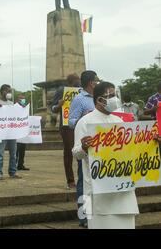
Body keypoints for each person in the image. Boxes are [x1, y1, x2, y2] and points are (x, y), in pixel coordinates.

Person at [72, 81, 139, 229]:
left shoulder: (119, 121)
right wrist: (84, 147)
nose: (114, 99)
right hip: (97, 190)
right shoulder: (84, 122)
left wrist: (150, 143)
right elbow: (76, 153)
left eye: (115, 95)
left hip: (122, 189)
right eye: (110, 96)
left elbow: (130, 149)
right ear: (98, 99)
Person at [68, 70, 99, 228]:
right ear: (91, 82)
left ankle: (98, 214)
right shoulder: (79, 99)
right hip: (86, 147)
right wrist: (84, 117)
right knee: (83, 182)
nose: (98, 83)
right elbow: (71, 121)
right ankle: (84, 216)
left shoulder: (100, 98)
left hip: (104, 147)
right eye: (97, 80)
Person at [51, 73, 80, 189]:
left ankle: (81, 178)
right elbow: (53, 108)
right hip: (67, 126)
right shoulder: (61, 90)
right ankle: (70, 180)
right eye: (77, 80)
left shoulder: (81, 91)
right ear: (71, 81)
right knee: (69, 152)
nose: (79, 82)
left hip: (79, 124)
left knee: (82, 151)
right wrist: (59, 106)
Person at [0, 84, 21, 180]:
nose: (9, 93)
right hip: (2, 133)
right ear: (2, 92)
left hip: (11, 132)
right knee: (0, 153)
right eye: (7, 91)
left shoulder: (11, 104)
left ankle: (13, 172)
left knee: (13, 153)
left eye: (10, 91)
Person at [16, 93, 30, 171]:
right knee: (16, 149)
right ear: (17, 100)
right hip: (16, 132)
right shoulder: (15, 107)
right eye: (21, 99)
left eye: (23, 99)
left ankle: (21, 164)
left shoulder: (25, 109)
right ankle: (15, 164)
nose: (22, 101)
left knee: (22, 149)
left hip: (23, 132)